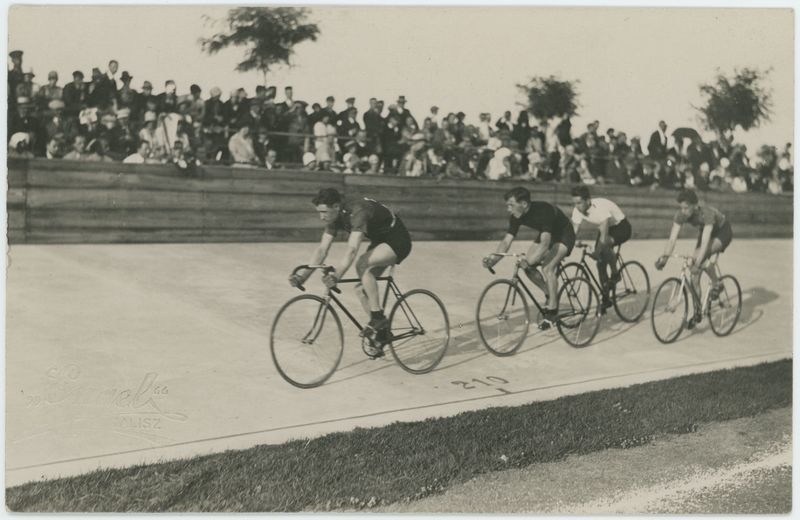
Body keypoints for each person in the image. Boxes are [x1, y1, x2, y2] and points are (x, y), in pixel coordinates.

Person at [289, 188, 412, 358]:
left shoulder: (358, 211)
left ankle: (377, 318)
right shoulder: (335, 216)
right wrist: (303, 276)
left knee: (362, 265)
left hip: (398, 240)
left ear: (336, 206)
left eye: (324, 212)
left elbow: (352, 249)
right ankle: (382, 332)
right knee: (361, 289)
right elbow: (322, 250)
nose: (321, 217)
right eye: (319, 212)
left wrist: (336, 276)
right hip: (380, 241)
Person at [483, 186, 576, 329]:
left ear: (524, 204)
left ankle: (552, 312)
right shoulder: (516, 216)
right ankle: (549, 293)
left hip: (564, 234)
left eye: (511, 205)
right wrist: (494, 260)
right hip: (547, 234)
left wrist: (529, 261)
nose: (508, 209)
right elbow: (506, 241)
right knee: (527, 267)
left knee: (547, 268)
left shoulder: (543, 211)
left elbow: (545, 244)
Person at [655, 189, 733, 328]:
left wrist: (697, 262)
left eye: (686, 208)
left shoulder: (707, 213)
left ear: (695, 206)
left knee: (697, 260)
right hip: (706, 231)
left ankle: (717, 284)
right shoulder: (681, 214)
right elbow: (672, 240)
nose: (683, 211)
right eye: (681, 208)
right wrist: (665, 258)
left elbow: (704, 244)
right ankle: (698, 312)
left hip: (722, 232)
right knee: (694, 274)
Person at [570, 185, 632, 310]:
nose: (577, 206)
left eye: (579, 203)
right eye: (574, 203)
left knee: (604, 247)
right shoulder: (577, 210)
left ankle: (615, 274)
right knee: (600, 263)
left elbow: (603, 238)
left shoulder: (600, 208)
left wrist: (596, 252)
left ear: (588, 200)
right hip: (605, 228)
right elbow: (573, 233)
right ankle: (606, 298)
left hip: (621, 228)